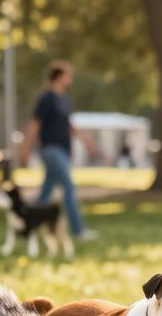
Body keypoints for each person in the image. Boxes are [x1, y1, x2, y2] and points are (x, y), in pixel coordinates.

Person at [18, 60, 100, 241]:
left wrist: (89, 143)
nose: (70, 79)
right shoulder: (46, 98)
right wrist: (25, 150)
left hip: (64, 150)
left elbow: (70, 126)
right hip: (51, 150)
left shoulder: (64, 100)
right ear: (60, 77)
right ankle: (79, 231)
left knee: (46, 193)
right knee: (69, 188)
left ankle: (28, 225)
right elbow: (35, 125)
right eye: (68, 76)